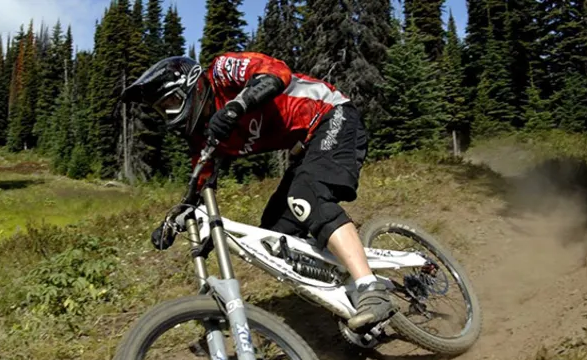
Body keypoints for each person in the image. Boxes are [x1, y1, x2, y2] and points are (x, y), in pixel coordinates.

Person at [121, 52, 394, 330]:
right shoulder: (204, 135)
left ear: (192, 87)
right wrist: (173, 220)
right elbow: (200, 183)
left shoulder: (221, 72)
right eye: (162, 110)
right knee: (275, 239)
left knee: (306, 196)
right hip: (305, 148)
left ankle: (370, 289)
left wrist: (235, 107)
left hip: (331, 115)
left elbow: (276, 72)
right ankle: (345, 293)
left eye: (171, 103)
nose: (169, 114)